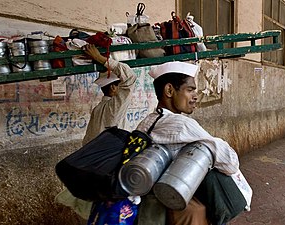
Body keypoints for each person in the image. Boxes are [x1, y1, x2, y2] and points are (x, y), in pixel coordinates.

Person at [135, 61, 252, 225]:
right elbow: (229, 163)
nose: (195, 96)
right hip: (178, 202)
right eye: (190, 90)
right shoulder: (181, 124)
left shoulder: (148, 121)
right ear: (169, 90)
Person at [55, 43, 137, 221]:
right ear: (114, 89)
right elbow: (130, 78)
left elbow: (87, 141)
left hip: (93, 170)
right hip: (107, 172)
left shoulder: (98, 109)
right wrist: (101, 59)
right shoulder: (113, 108)